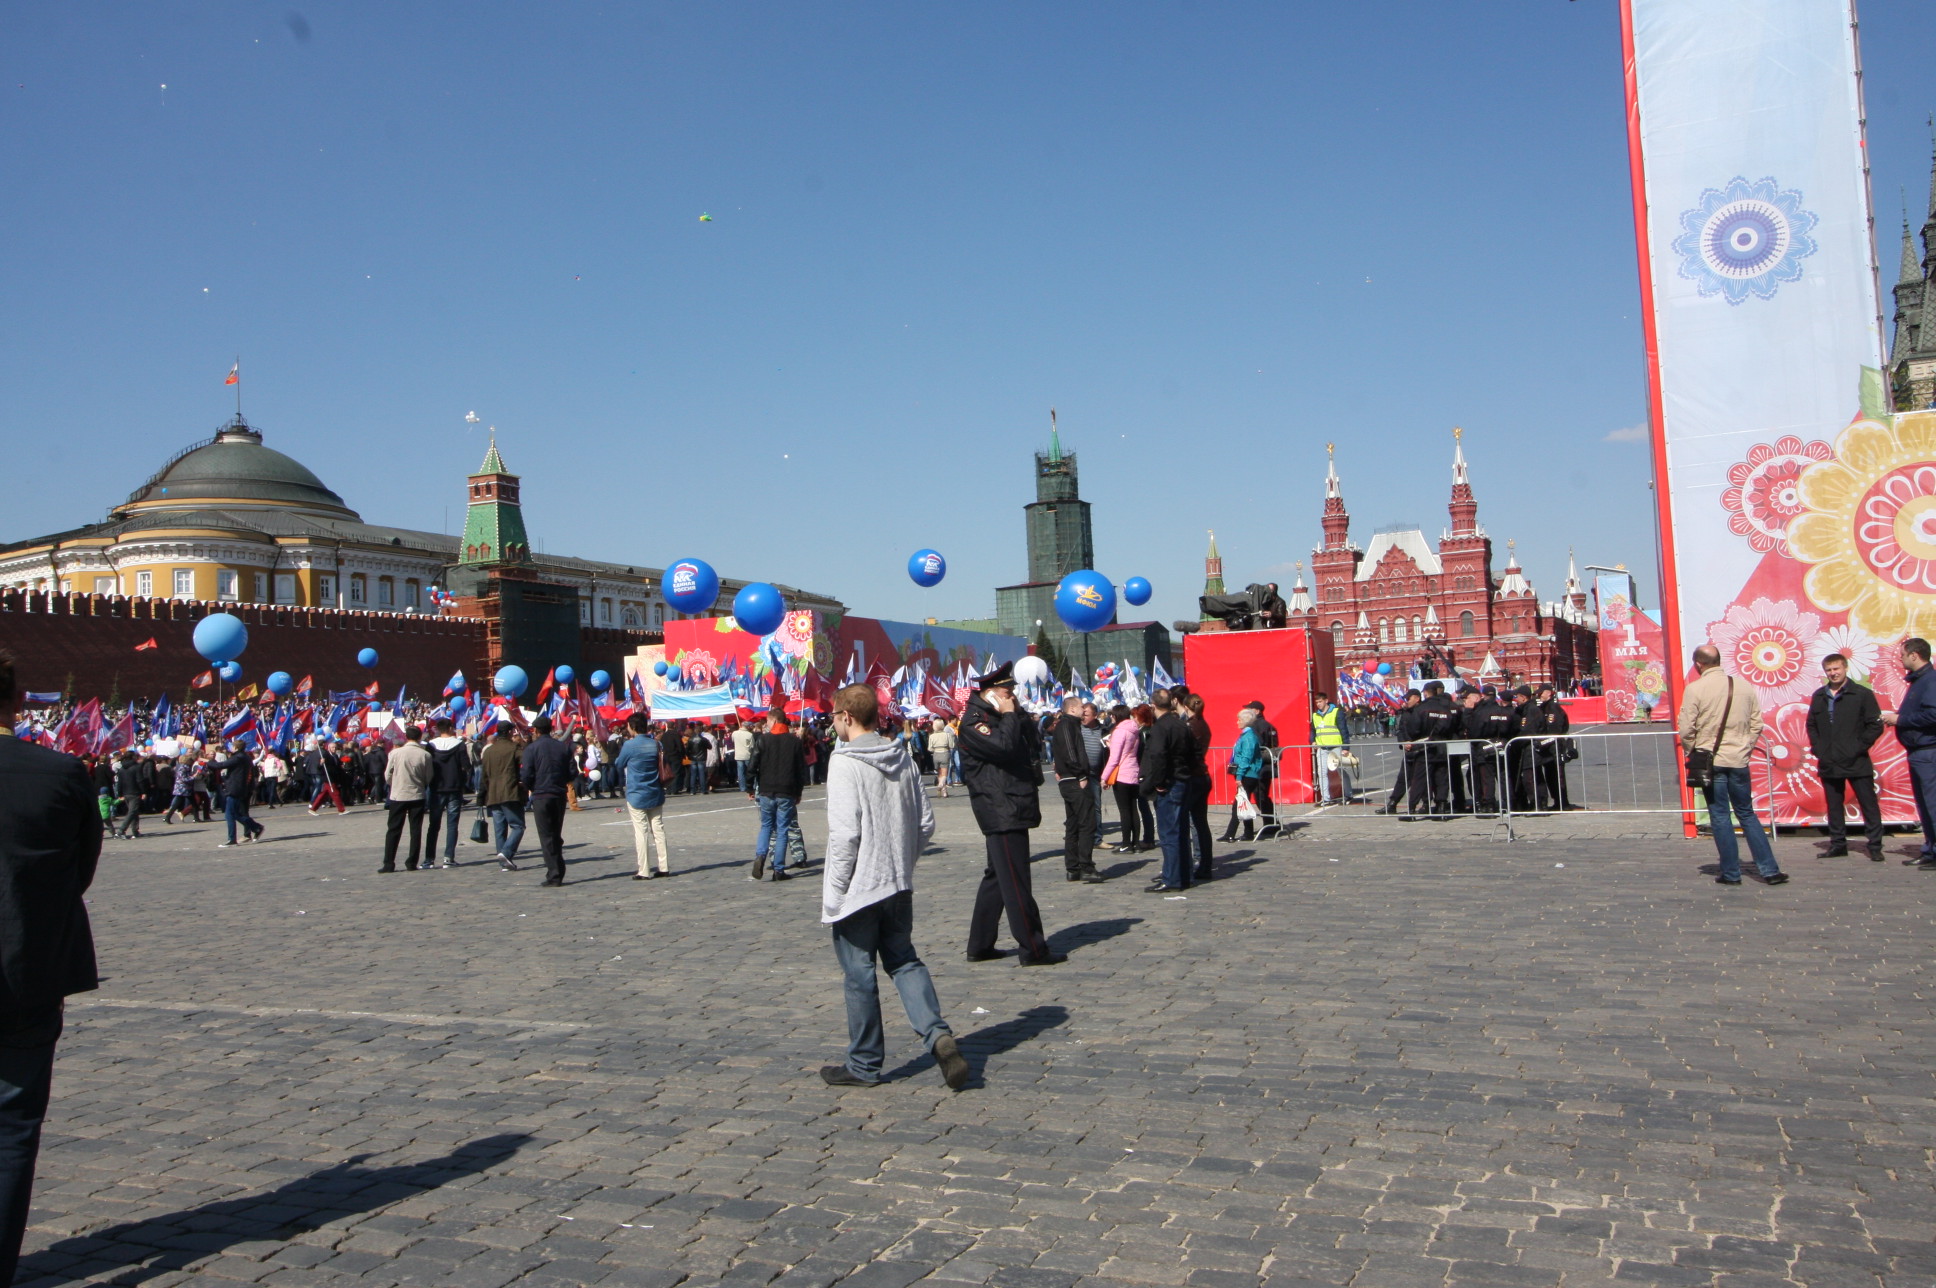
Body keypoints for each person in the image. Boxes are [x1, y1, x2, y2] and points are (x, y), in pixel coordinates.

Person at [0, 649, 101, 1285]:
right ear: (15, 698)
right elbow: (78, 874)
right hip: (26, 969)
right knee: (11, 1129)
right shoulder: (59, 773)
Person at [817, 683, 969, 1090]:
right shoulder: (901, 756)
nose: (832, 724)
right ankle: (937, 1035)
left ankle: (864, 1063)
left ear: (847, 716)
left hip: (860, 890)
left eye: (833, 716)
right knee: (904, 961)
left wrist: (834, 893)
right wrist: (903, 862)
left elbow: (846, 835)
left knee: (859, 973)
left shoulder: (844, 763)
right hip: (897, 884)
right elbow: (925, 824)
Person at [957, 662, 1063, 965]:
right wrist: (1006, 715)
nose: (1012, 695)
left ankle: (980, 944)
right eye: (1007, 691)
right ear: (991, 693)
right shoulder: (974, 722)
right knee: (1016, 880)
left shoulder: (1003, 716)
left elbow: (1031, 741)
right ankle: (1033, 948)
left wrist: (1016, 714)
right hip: (1001, 807)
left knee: (997, 877)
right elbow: (1003, 747)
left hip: (1011, 803)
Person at [1679, 645, 1787, 886]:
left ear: (1699, 664)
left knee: (1719, 816)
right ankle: (1769, 870)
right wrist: (1745, 748)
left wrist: (1693, 751)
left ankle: (1731, 872)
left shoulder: (1695, 689)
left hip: (1711, 760)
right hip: (1738, 760)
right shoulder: (1742, 686)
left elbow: (1686, 728)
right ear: (1719, 660)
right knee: (1747, 814)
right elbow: (1757, 724)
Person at [1806, 653, 1886, 861]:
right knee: (1834, 804)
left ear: (1845, 668)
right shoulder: (1819, 696)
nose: (1833, 673)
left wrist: (1857, 747)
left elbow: (1875, 724)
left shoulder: (1861, 694)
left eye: (1836, 669)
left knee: (1868, 802)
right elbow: (1811, 724)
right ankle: (1838, 843)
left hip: (1856, 760)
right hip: (1829, 760)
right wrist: (1819, 748)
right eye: (1829, 670)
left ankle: (1875, 845)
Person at [1881, 636, 1936, 868]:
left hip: (1928, 751)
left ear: (1915, 655)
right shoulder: (1920, 681)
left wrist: (1900, 719)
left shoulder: (1930, 681)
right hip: (1917, 751)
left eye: (1903, 654)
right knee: (1924, 804)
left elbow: (1933, 714)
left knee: (1932, 803)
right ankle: (1930, 849)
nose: (1901, 659)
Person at [1141, 688, 1199, 893]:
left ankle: (1172, 878)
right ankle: (1185, 876)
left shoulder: (1160, 727)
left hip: (1170, 783)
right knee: (1181, 832)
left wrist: (1157, 782)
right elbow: (1194, 753)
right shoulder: (1182, 724)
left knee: (1169, 834)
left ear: (1153, 705)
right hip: (1184, 780)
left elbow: (1158, 756)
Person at [1050, 697, 1105, 883]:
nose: (1083, 709)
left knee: (1073, 824)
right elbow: (1070, 753)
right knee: (1087, 823)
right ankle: (1086, 866)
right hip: (1074, 780)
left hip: (1069, 779)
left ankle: (1073, 868)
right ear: (1072, 709)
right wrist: (1080, 774)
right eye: (1081, 706)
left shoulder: (1070, 725)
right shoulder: (1067, 725)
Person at [748, 714, 807, 881]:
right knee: (782, 829)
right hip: (786, 790)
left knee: (766, 826)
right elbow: (800, 770)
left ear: (774, 720)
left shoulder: (763, 740)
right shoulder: (795, 741)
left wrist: (749, 787)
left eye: (767, 720)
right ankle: (778, 869)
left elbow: (752, 764)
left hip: (766, 789)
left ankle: (760, 855)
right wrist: (798, 792)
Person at [613, 712, 671, 879]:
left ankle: (644, 870)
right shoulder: (656, 744)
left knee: (641, 831)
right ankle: (664, 866)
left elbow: (618, 764)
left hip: (636, 792)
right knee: (658, 829)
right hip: (655, 790)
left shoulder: (629, 746)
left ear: (632, 727)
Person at [520, 715, 574, 886]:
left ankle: (554, 874)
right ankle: (558, 868)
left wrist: (531, 786)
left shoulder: (531, 749)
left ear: (536, 730)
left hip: (541, 795)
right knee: (555, 833)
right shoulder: (562, 747)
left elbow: (526, 773)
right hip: (558, 794)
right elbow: (572, 771)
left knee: (546, 835)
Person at [379, 726, 432, 872]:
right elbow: (429, 776)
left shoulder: (395, 753)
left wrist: (394, 783)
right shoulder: (424, 754)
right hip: (417, 794)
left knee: (393, 830)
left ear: (406, 737)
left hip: (398, 794)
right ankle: (412, 862)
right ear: (420, 737)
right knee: (415, 830)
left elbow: (387, 775)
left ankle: (388, 863)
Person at [423, 718, 472, 869]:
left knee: (433, 825)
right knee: (452, 824)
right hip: (454, 787)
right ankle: (448, 857)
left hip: (436, 788)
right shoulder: (459, 745)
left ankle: (429, 859)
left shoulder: (431, 745)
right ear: (450, 728)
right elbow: (466, 766)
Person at [476, 720, 526, 871]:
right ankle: (506, 852)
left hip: (493, 793)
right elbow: (525, 760)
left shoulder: (489, 750)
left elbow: (484, 776)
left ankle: (503, 861)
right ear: (510, 732)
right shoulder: (513, 747)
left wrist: (482, 795)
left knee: (500, 829)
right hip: (509, 791)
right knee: (518, 826)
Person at [1102, 703, 1149, 853]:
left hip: (1122, 774)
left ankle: (1126, 843)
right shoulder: (1134, 729)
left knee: (1124, 810)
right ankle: (1136, 842)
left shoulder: (1119, 731)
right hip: (1133, 771)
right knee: (1133, 808)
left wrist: (1104, 777)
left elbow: (1114, 758)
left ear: (1116, 716)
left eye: (1112, 715)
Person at [1221, 708, 1266, 843]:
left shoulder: (1249, 737)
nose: (1237, 722)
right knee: (1244, 802)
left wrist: (1239, 776)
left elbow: (1246, 758)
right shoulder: (1245, 735)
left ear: (1246, 721)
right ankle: (1248, 833)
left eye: (1239, 719)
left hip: (1248, 774)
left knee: (1238, 803)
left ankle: (1230, 833)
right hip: (1246, 773)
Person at [211, 740, 265, 847]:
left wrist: (209, 762)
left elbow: (221, 765)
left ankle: (232, 839)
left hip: (235, 788)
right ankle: (256, 827)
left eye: (232, 746)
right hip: (240, 788)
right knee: (236, 813)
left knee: (229, 814)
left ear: (236, 748)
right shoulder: (245, 757)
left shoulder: (238, 757)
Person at [1310, 692, 1350, 806]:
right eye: (1316, 702)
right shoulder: (1315, 715)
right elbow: (1313, 730)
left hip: (1336, 747)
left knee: (1341, 771)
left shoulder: (1336, 712)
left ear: (1326, 701)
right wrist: (1313, 740)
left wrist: (1346, 747)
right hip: (1322, 748)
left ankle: (1348, 794)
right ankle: (1326, 798)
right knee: (1322, 773)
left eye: (1320, 701)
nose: (1318, 704)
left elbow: (1344, 730)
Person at [305, 738, 349, 815]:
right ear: (328, 748)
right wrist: (321, 763)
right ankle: (341, 810)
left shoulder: (335, 756)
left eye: (335, 747)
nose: (334, 749)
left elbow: (337, 765)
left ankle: (313, 808)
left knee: (323, 794)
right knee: (335, 793)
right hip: (328, 777)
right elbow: (321, 767)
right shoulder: (326, 754)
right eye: (332, 747)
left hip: (334, 777)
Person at [928, 717, 957, 797]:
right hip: (945, 753)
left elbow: (929, 748)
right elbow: (952, 745)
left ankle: (944, 792)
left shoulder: (932, 736)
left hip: (936, 754)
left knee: (939, 773)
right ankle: (940, 784)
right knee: (944, 774)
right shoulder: (947, 735)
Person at [732, 718, 756, 796]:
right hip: (747, 754)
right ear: (747, 727)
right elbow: (750, 746)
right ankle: (752, 785)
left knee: (740, 772)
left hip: (738, 755)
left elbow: (733, 741)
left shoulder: (734, 733)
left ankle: (742, 787)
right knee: (749, 771)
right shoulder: (749, 735)